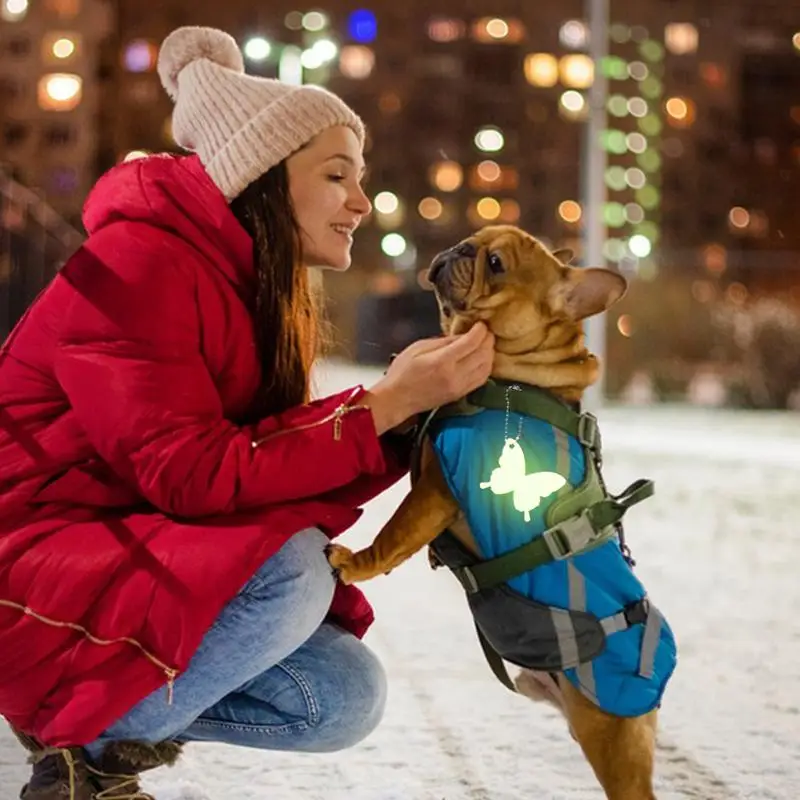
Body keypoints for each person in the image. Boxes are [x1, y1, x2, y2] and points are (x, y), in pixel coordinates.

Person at [0, 25, 495, 800]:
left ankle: (92, 741)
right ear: (263, 176)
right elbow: (190, 473)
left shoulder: (246, 285)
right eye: (337, 176)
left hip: (124, 548)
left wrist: (403, 415)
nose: (360, 202)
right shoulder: (141, 263)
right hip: (33, 557)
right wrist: (380, 406)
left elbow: (245, 459)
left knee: (340, 697)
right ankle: (85, 759)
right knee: (286, 572)